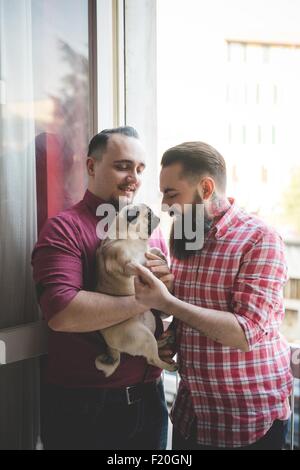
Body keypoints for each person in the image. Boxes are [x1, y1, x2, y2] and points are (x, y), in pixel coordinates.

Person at [130, 141, 293, 450]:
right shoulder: (183, 235)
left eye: (172, 194)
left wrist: (167, 300)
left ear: (205, 188)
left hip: (248, 421)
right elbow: (188, 313)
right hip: (192, 415)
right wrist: (168, 340)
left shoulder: (260, 239)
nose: (164, 205)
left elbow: (245, 333)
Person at [31, 126, 172, 450]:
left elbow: (163, 305)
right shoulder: (64, 228)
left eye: (139, 169)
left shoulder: (150, 231)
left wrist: (165, 314)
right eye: (122, 165)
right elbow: (63, 313)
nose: (133, 177)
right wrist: (145, 300)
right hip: (85, 409)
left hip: (151, 400)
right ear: (91, 167)